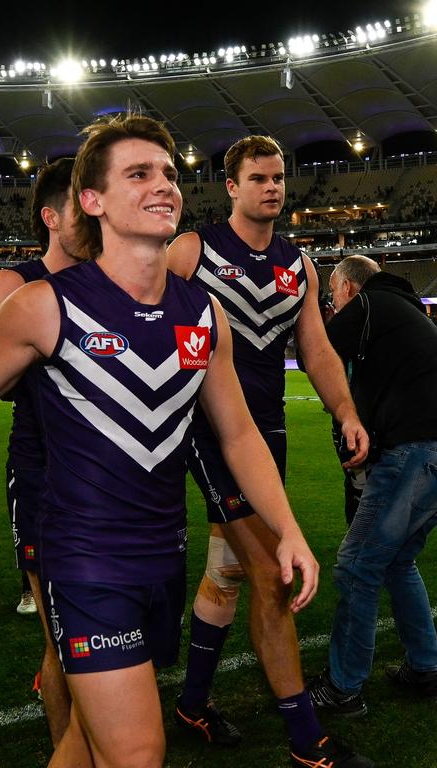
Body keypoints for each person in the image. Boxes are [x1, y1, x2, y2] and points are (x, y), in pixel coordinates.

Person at [0, 114, 346, 768]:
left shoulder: (202, 311)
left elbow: (240, 433)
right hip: (83, 562)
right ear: (92, 201)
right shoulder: (46, 305)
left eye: (168, 172)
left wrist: (288, 529)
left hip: (164, 561)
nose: (164, 184)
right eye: (139, 173)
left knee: (88, 742)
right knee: (135, 751)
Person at [166, 135, 371, 765]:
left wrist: (345, 408)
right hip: (208, 431)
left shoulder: (298, 265)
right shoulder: (192, 250)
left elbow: (315, 350)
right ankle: (309, 742)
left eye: (279, 177)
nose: (272, 187)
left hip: (268, 437)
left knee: (227, 571)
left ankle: (191, 705)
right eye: (258, 178)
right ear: (231, 187)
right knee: (271, 575)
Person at [0, 157, 85, 753]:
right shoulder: (15, 284)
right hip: (44, 475)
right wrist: (22, 347)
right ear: (52, 216)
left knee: (108, 633)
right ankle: (70, 748)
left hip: (117, 482)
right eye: (86, 203)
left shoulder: (110, 281)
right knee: (66, 641)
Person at [308, 256, 437, 713]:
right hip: (428, 451)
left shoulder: (367, 305)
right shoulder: (404, 309)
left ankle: (344, 687)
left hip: (416, 450)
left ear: (345, 289)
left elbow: (317, 351)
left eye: (333, 296)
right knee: (399, 562)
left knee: (356, 565)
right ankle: (426, 666)